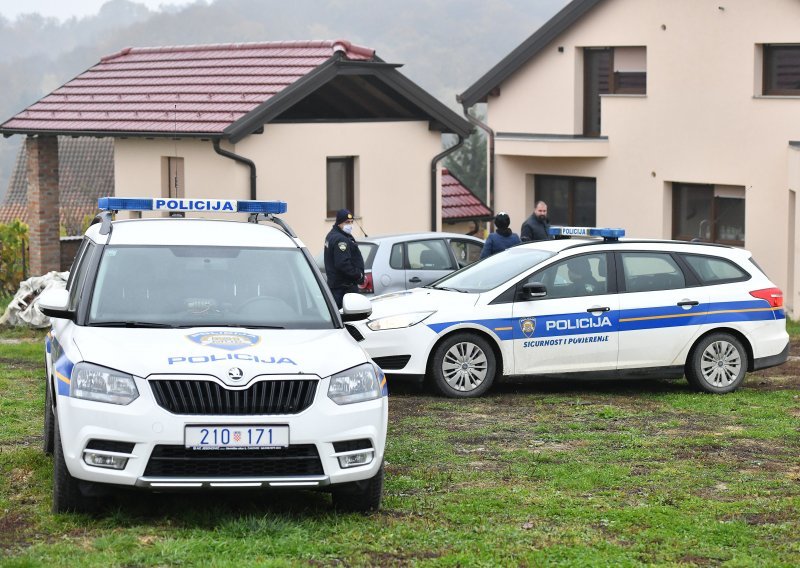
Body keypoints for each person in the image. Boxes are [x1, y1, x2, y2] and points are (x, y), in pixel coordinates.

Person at [324, 208, 365, 309]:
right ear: (339, 223)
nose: (350, 225)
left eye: (351, 222)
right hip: (344, 289)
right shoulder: (340, 239)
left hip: (338, 287)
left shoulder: (332, 235)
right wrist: (358, 274)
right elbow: (342, 263)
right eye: (347, 222)